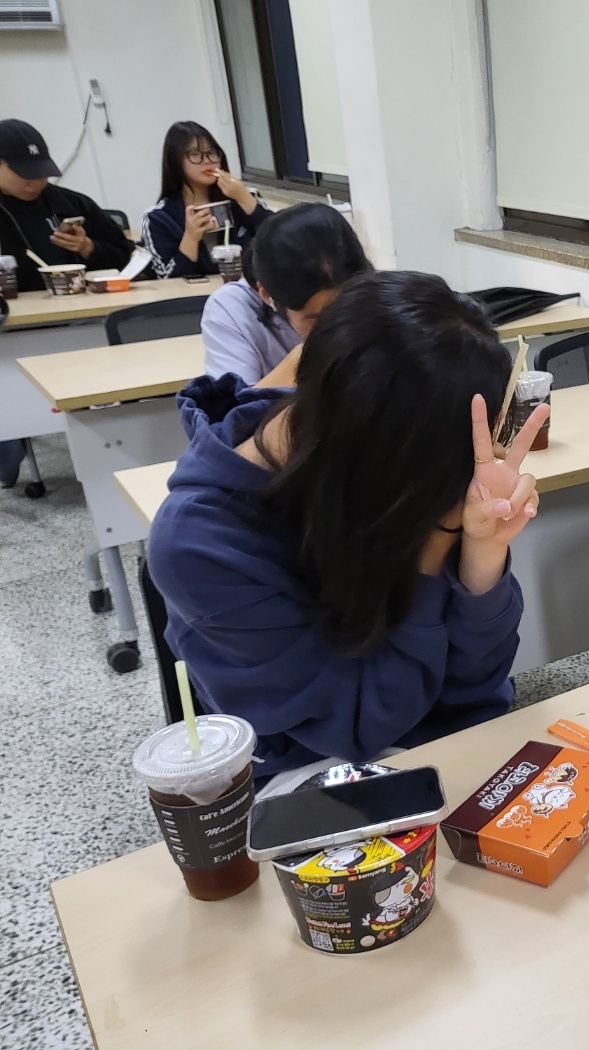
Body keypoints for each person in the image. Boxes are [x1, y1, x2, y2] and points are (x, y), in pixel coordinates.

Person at [147, 271, 550, 789]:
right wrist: (436, 538)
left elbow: (478, 687)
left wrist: (482, 552)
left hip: (450, 745)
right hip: (316, 776)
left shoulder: (395, 461)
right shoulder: (201, 543)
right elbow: (359, 728)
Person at [201, 202, 371, 385]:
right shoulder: (232, 309)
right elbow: (232, 403)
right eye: (316, 320)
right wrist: (301, 362)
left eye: (346, 311)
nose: (336, 327)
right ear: (267, 296)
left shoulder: (377, 298)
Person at [0, 118, 132, 293]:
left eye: (42, 173)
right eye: (26, 175)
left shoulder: (71, 204)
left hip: (81, 305)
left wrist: (88, 248)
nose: (36, 184)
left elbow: (127, 258)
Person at [142, 121, 271, 280]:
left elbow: (281, 242)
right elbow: (167, 279)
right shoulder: (159, 218)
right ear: (175, 161)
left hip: (248, 290)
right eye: (195, 154)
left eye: (212, 152)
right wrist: (191, 237)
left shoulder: (243, 197)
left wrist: (243, 198)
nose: (207, 160)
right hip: (196, 295)